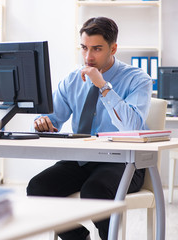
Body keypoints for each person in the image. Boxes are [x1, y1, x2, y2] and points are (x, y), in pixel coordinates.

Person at [26, 17, 152, 240]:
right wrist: (42, 121)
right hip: (81, 157)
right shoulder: (73, 80)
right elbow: (52, 118)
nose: (88, 57)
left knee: (95, 191)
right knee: (37, 188)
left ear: (113, 48)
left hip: (123, 161)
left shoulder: (137, 79)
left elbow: (132, 126)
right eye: (84, 48)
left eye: (96, 49)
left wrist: (102, 86)